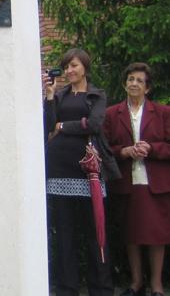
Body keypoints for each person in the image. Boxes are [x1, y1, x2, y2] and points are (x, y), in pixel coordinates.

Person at [43, 48, 114, 296]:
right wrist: (50, 97)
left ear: (84, 66)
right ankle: (66, 288)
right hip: (59, 167)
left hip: (89, 171)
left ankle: (101, 288)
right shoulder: (60, 96)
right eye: (66, 67)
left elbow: (94, 124)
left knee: (95, 231)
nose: (69, 71)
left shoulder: (96, 95)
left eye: (73, 65)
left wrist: (64, 126)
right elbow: (50, 125)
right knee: (64, 232)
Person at [103, 63, 170, 296]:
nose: (134, 83)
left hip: (155, 184)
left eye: (139, 81)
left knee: (156, 235)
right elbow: (104, 148)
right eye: (130, 79)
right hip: (126, 183)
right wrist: (124, 152)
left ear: (147, 88)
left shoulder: (163, 113)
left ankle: (157, 285)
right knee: (131, 234)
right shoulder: (112, 114)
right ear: (124, 84)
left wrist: (152, 149)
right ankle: (135, 282)